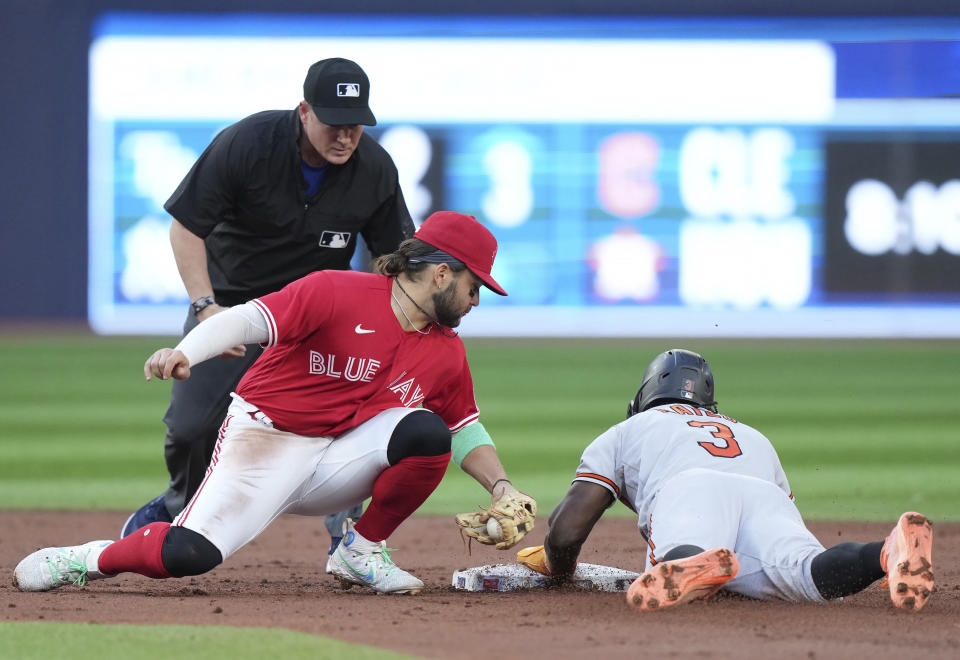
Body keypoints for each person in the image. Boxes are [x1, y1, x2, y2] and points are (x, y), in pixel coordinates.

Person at [16, 211, 536, 596]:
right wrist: (186, 351)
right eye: (475, 285)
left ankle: (359, 551)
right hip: (266, 440)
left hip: (340, 458)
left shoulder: (445, 350)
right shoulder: (337, 291)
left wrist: (503, 485)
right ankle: (88, 557)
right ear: (442, 273)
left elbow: (463, 426)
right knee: (188, 553)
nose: (476, 299)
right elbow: (246, 320)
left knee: (425, 432)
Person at [121, 57, 415, 559]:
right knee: (193, 428)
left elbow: (393, 259)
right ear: (304, 112)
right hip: (232, 305)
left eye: (355, 125)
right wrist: (205, 306)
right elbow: (187, 226)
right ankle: (178, 504)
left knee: (359, 420)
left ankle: (348, 530)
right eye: (333, 122)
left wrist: (380, 326)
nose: (345, 136)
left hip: (318, 320)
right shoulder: (247, 144)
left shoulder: (374, 168)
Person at [516, 349, 935, 612]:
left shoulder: (632, 428)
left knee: (679, 556)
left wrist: (558, 566)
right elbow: (783, 507)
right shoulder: (752, 434)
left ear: (642, 397)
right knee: (810, 573)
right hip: (765, 498)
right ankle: (886, 552)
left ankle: (691, 563)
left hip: (688, 489)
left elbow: (570, 526)